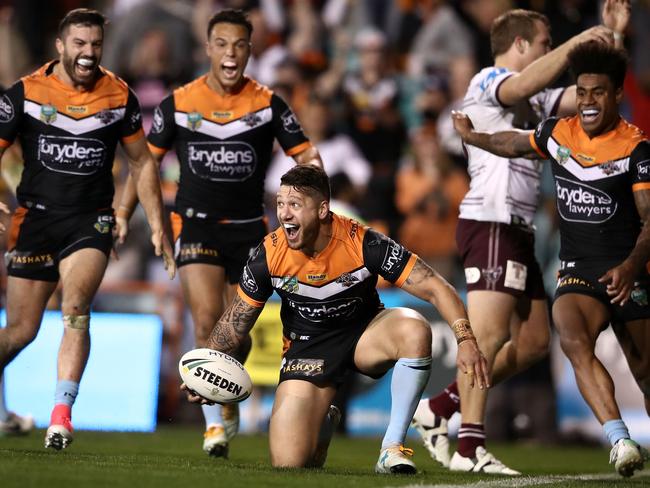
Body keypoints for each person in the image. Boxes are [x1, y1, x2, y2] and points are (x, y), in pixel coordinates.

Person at [410, 1, 627, 475]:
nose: (552, 51)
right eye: (547, 43)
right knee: (486, 338)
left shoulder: (539, 100)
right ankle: (469, 449)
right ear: (522, 44)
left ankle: (440, 407)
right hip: (490, 222)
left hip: (519, 230)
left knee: (531, 345)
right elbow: (524, 82)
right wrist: (579, 41)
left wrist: (612, 38)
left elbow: (594, 97)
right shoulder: (486, 82)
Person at [184, 165, 490, 473]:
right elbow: (235, 323)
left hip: (364, 334)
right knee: (289, 463)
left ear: (322, 209)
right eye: (279, 204)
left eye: (294, 205)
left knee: (414, 329)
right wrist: (205, 368)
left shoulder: (363, 242)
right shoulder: (268, 255)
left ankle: (392, 449)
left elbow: (436, 287)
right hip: (306, 349)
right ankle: (325, 421)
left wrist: (465, 339)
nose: (284, 214)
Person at [117, 9, 322, 458]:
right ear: (209, 48)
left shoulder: (269, 104)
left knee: (239, 329)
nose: (231, 53)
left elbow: (306, 156)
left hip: (251, 232)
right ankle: (214, 426)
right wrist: (124, 214)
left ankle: (223, 385)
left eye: (240, 45)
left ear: (251, 50)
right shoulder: (180, 102)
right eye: (223, 44)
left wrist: (310, 194)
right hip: (195, 225)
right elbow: (143, 165)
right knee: (207, 320)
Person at [450, 40, 649, 478]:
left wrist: (631, 267)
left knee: (644, 369)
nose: (589, 101)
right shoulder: (559, 132)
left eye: (599, 92)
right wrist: (474, 138)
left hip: (630, 271)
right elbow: (514, 143)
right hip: (578, 272)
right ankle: (619, 440)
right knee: (573, 338)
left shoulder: (636, 149)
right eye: (582, 92)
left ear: (617, 95)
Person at [0, 8, 175, 450]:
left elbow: (141, 162)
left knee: (77, 308)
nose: (88, 53)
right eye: (79, 43)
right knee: (21, 330)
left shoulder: (119, 95)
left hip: (90, 221)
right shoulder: (25, 93)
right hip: (34, 221)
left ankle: (61, 416)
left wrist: (156, 223)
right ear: (60, 45)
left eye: (95, 44)